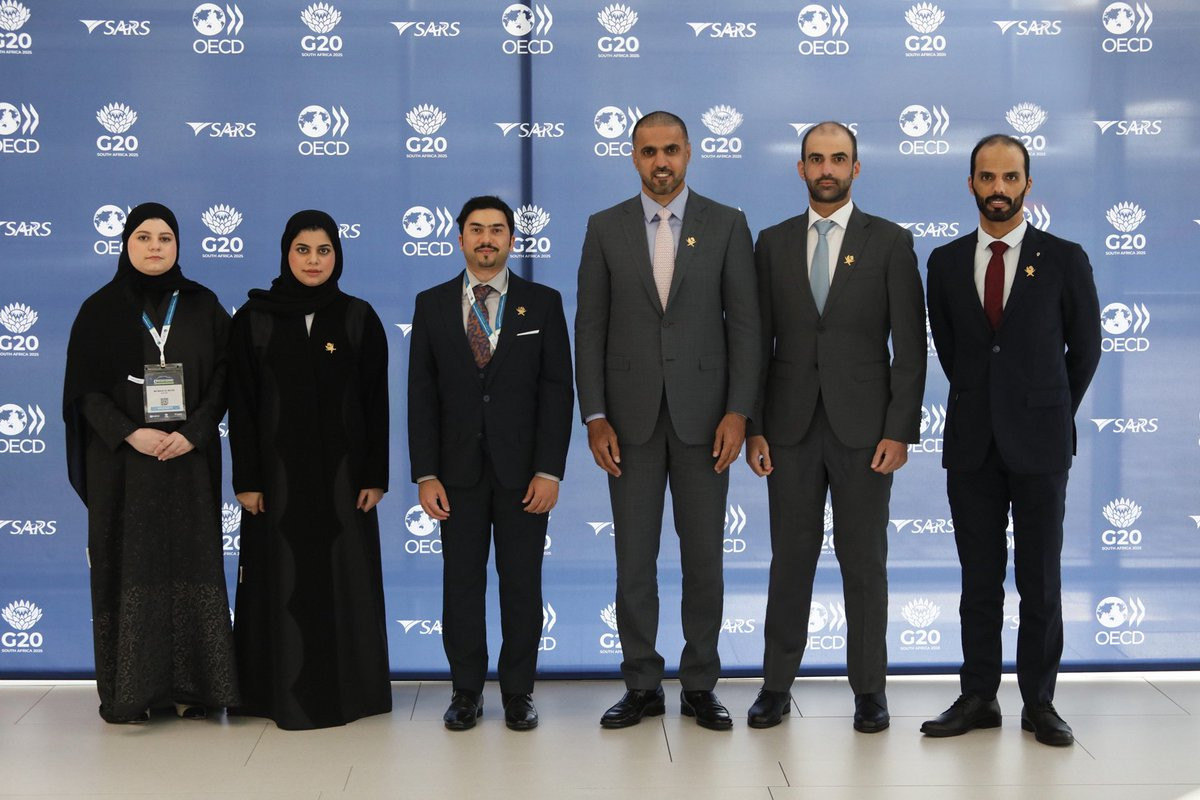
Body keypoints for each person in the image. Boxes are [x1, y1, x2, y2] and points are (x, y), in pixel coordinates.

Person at [575, 110, 760, 731]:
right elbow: (590, 328)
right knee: (634, 561)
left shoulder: (727, 223)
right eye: (650, 151)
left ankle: (700, 683)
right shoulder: (604, 227)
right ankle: (642, 683)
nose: (661, 161)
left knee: (704, 559)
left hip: (707, 422)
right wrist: (595, 415)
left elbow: (747, 327)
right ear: (633, 156)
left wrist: (738, 411)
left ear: (689, 152)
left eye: (671, 150)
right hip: (627, 424)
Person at [744, 122, 926, 732]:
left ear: (856, 167)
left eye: (838, 159)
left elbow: (910, 347)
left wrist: (899, 429)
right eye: (816, 159)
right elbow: (756, 343)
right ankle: (775, 685)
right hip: (788, 429)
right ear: (800, 168)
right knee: (789, 561)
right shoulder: (771, 242)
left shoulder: (891, 242)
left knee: (864, 563)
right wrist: (755, 426)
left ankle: (870, 690)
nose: (827, 169)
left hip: (866, 432)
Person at [921, 135, 1100, 746]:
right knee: (979, 579)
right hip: (972, 443)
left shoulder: (1064, 258)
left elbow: (1086, 348)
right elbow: (952, 350)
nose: (998, 188)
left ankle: (1039, 703)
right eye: (987, 177)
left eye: (1010, 177)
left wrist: (1047, 408)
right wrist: (990, 403)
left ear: (1028, 184)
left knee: (1040, 579)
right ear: (971, 183)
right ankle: (978, 697)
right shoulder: (945, 262)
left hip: (1040, 444)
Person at [63, 202, 238, 724]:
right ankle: (134, 692)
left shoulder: (204, 305)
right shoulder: (100, 309)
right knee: (131, 565)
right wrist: (130, 432)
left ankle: (197, 689)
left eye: (165, 238)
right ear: (126, 244)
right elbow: (84, 391)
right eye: (143, 237)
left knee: (192, 563)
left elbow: (226, 377)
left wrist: (194, 432)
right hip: (123, 465)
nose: (155, 247)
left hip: (188, 460)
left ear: (179, 245)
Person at [408, 196, 573, 732]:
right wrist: (426, 473)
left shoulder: (542, 303)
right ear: (459, 238)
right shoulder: (431, 304)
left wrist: (549, 470)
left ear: (511, 240)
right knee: (460, 585)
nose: (486, 239)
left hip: (524, 475)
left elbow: (557, 391)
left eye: (497, 230)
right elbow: (421, 394)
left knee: (521, 584)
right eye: (476, 229)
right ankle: (466, 691)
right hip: (455, 474)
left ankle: (519, 692)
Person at [227, 210, 391, 730]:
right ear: (286, 253)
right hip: (275, 487)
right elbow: (241, 407)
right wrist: (247, 480)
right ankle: (271, 695)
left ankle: (353, 694)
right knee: (280, 582)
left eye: (324, 250)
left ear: (337, 255)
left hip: (344, 485)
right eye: (303, 249)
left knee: (344, 580)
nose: (313, 261)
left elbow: (376, 404)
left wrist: (375, 476)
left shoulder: (358, 317)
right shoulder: (253, 320)